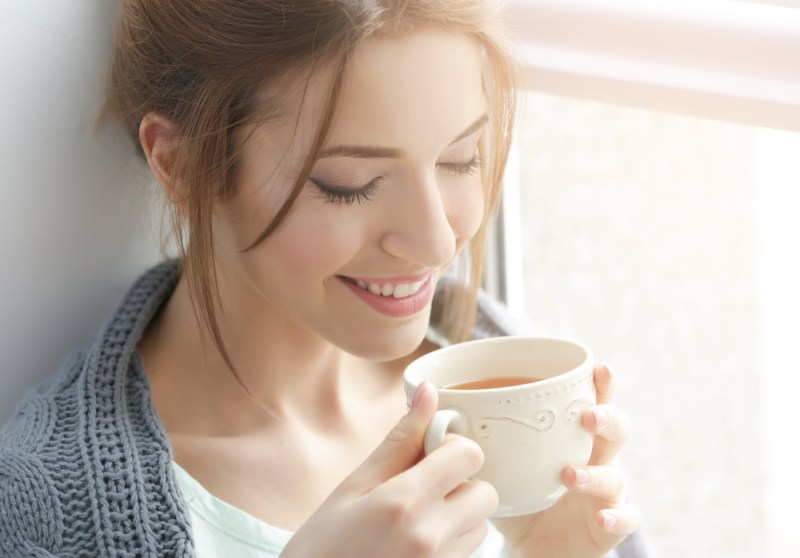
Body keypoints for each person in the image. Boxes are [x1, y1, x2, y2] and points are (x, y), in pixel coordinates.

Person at [0, 1, 644, 556]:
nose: (438, 240)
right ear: (182, 163)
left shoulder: (495, 362)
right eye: (350, 185)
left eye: (460, 158)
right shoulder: (40, 512)